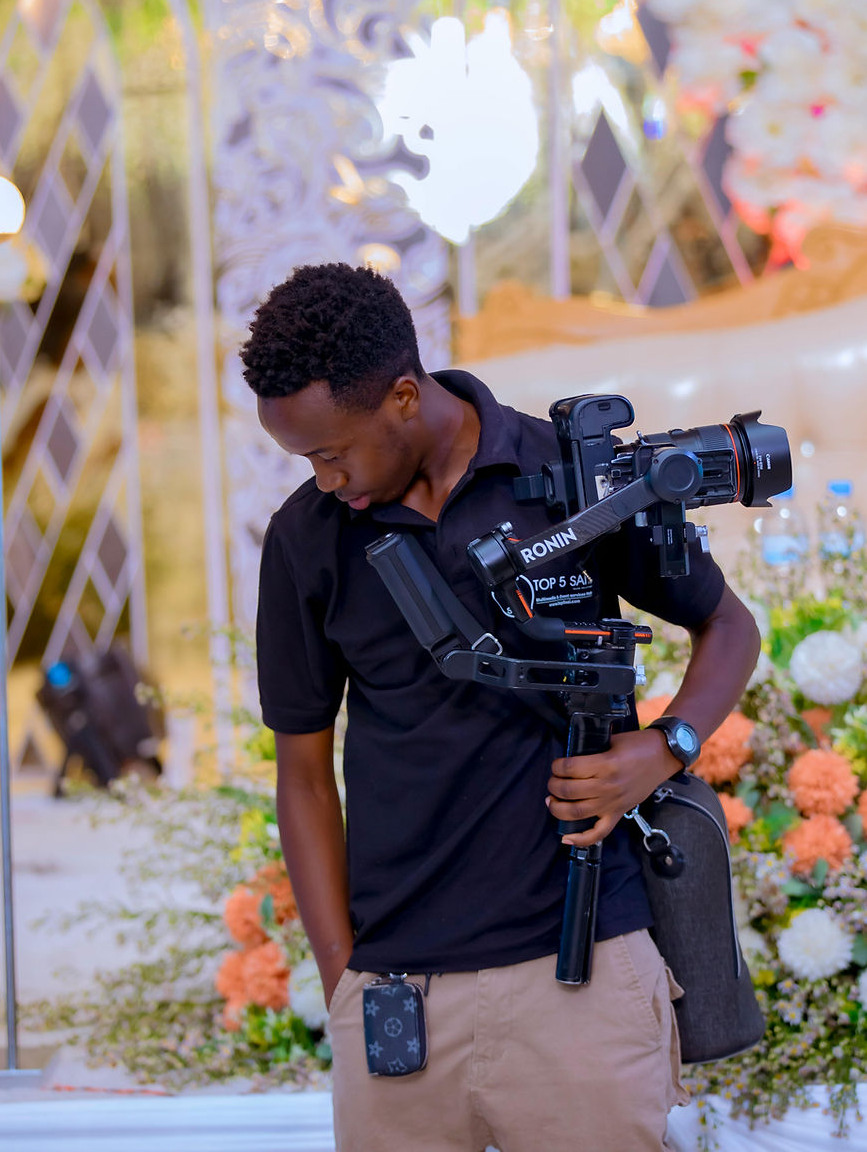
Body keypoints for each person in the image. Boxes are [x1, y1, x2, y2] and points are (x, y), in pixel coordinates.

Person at [241, 262, 760, 1152]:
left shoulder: (577, 477)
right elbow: (303, 776)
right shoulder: (306, 538)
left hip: (584, 971)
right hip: (398, 992)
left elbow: (727, 625)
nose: (324, 479)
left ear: (405, 395)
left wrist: (665, 747)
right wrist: (343, 981)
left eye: (332, 452)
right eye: (305, 461)